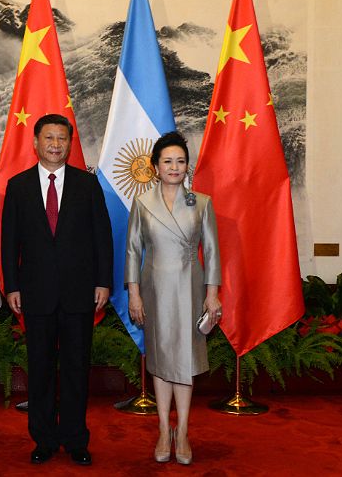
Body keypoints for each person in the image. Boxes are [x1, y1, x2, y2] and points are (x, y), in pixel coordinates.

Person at [1, 114, 112, 466]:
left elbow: (102, 237)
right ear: (36, 142)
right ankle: (44, 439)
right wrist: (12, 286)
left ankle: (76, 439)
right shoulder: (17, 186)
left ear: (69, 143)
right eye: (48, 137)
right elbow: (8, 243)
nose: (55, 144)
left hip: (80, 292)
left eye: (61, 138)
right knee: (41, 370)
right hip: (35, 294)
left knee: (77, 368)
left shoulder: (86, 184)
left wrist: (103, 281)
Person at [124, 131, 221, 465]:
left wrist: (212, 294)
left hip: (190, 290)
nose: (175, 167)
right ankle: (164, 429)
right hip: (153, 291)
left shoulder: (202, 202)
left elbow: (210, 250)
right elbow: (133, 250)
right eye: (168, 161)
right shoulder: (142, 203)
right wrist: (133, 294)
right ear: (155, 167)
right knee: (161, 359)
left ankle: (183, 432)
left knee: (185, 360)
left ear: (186, 166)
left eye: (180, 161)